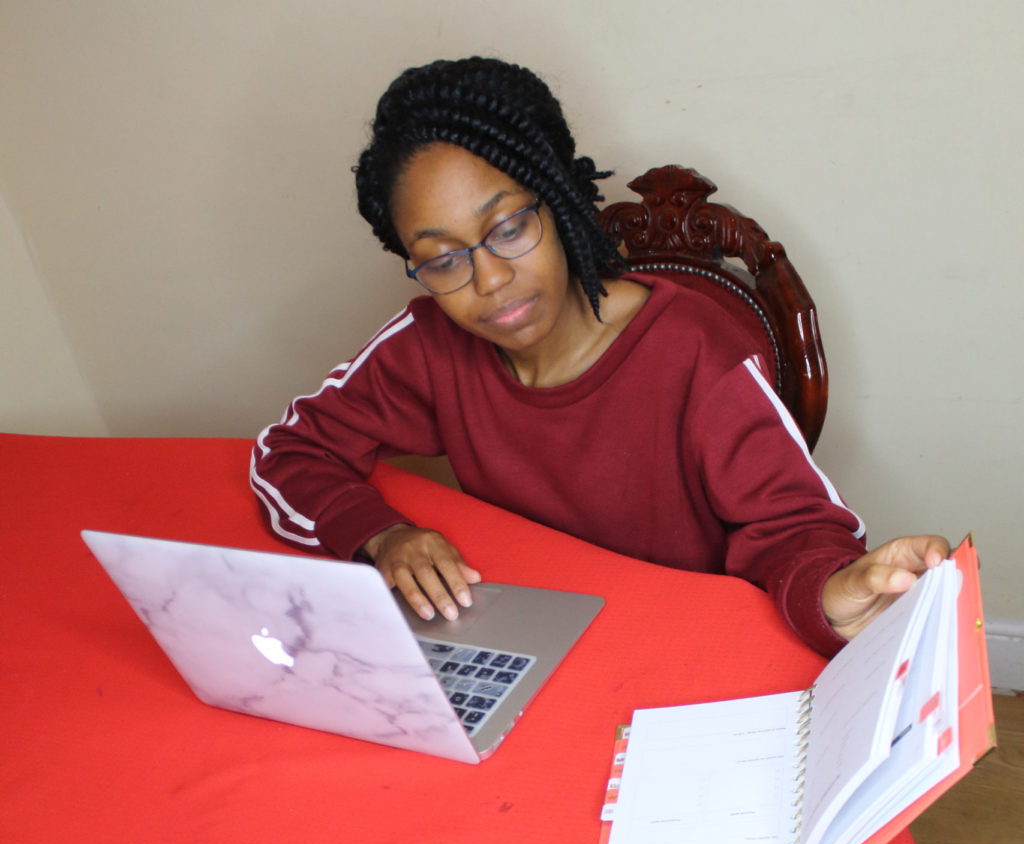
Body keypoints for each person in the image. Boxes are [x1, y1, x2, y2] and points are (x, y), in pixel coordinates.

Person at [250, 56, 948, 657]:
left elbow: (797, 530)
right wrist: (381, 533)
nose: (488, 281)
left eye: (509, 228)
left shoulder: (696, 353)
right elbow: (289, 451)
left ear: (558, 201)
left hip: (679, 649)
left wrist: (834, 593)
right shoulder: (432, 345)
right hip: (531, 640)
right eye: (440, 260)